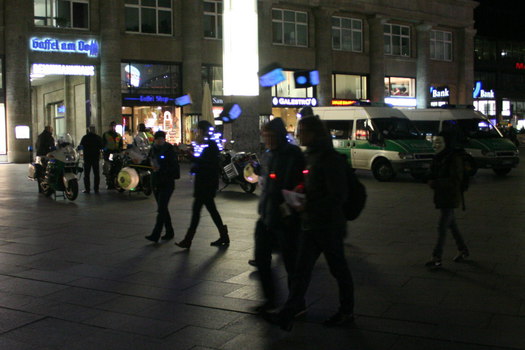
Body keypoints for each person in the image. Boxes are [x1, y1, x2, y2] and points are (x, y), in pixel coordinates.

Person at [269, 115, 355, 331]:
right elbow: (315, 186)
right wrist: (301, 191)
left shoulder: (329, 158)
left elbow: (338, 196)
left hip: (328, 226)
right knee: (301, 270)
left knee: (339, 270)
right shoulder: (313, 156)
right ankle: (288, 313)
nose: (298, 135)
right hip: (312, 224)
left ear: (315, 133)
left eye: (303, 131)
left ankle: (347, 311)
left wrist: (308, 205)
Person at [251, 118, 306, 313]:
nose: (267, 139)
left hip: (286, 217)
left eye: (270, 135)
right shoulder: (268, 154)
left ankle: (296, 304)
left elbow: (296, 182)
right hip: (267, 214)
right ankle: (271, 299)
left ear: (279, 135)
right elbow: (267, 181)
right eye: (264, 135)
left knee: (291, 263)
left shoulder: (292, 154)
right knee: (261, 258)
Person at [175, 120, 229, 249]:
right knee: (210, 210)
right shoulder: (207, 144)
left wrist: (189, 155)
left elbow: (205, 163)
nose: (197, 132)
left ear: (203, 131)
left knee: (198, 212)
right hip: (205, 183)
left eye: (199, 130)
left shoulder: (210, 144)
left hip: (206, 184)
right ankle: (223, 235)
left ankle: (188, 240)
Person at [425, 129, 469, 269]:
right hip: (443, 196)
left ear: (447, 143)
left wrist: (436, 183)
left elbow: (455, 180)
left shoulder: (454, 158)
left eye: (439, 142)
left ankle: (436, 257)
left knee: (442, 227)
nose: (436, 145)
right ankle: (463, 249)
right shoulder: (439, 157)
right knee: (451, 225)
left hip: (451, 196)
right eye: (434, 142)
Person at [145, 131, 180, 243]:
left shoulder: (169, 149)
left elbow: (174, 168)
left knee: (161, 209)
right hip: (156, 182)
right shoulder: (153, 149)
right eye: (157, 139)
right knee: (163, 208)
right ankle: (169, 231)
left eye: (161, 139)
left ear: (164, 139)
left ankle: (156, 234)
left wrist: (161, 169)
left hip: (167, 183)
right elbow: (148, 161)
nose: (159, 141)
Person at [79, 125, 103, 194]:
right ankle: (96, 189)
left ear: (89, 130)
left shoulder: (85, 137)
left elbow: (81, 146)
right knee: (96, 174)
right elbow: (101, 146)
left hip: (87, 158)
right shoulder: (98, 138)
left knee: (86, 174)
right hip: (95, 157)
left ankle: (87, 189)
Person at [102, 121, 123, 189]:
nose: (113, 127)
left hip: (116, 153)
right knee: (109, 167)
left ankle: (115, 181)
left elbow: (120, 144)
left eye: (114, 126)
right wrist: (105, 151)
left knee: (117, 166)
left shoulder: (118, 135)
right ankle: (109, 182)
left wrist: (120, 150)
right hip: (109, 153)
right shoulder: (106, 134)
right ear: (109, 127)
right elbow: (103, 144)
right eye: (112, 126)